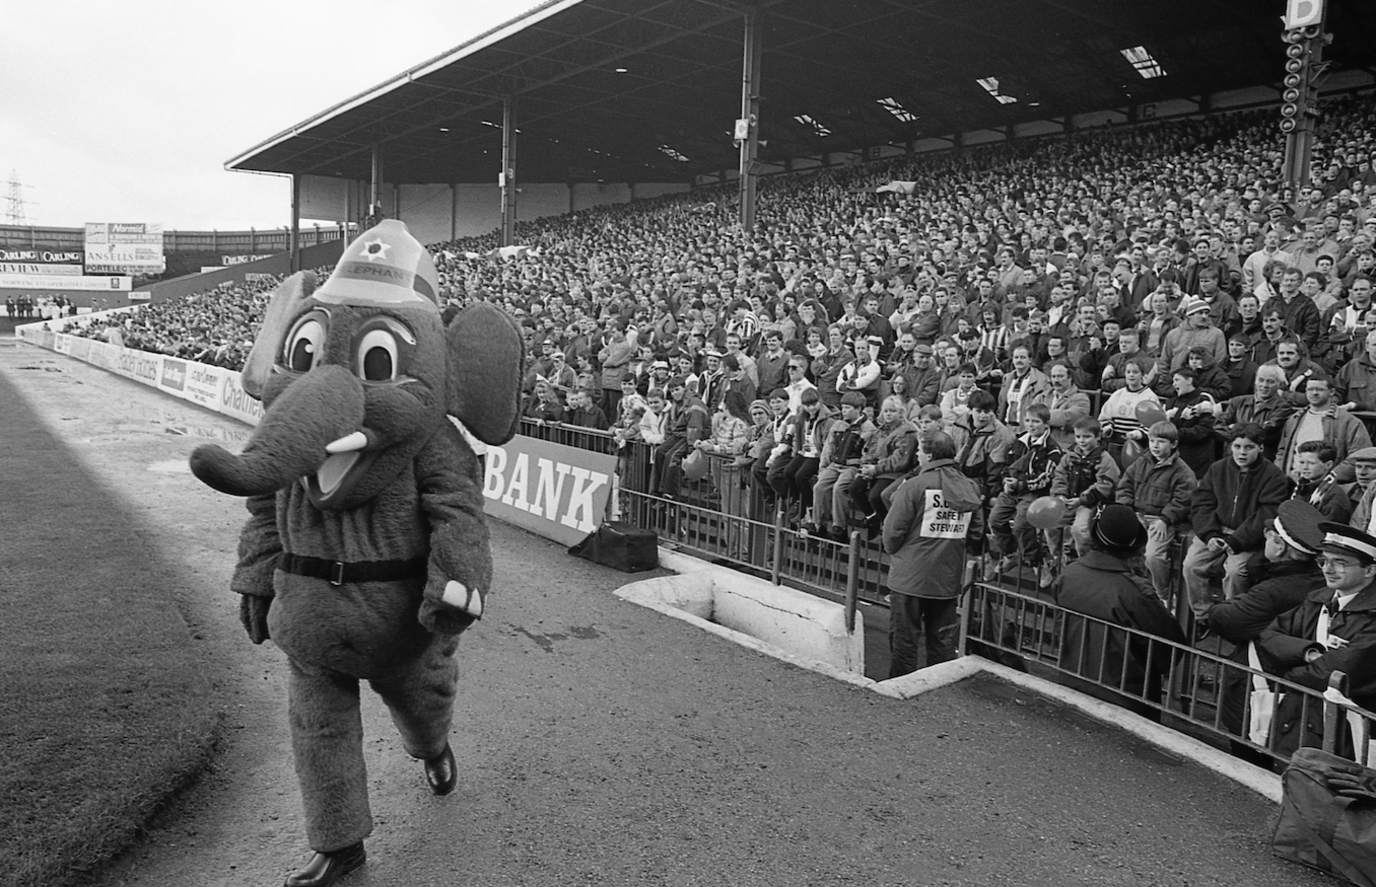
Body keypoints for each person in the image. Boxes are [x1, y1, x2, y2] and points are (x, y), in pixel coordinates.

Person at [1054, 504, 1187, 721]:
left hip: (1073, 686)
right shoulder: (1134, 592)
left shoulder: (1068, 575)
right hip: (1127, 701)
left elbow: (1061, 631)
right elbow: (1170, 648)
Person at [1258, 522, 1376, 757]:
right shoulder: (1317, 600)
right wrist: (1308, 652)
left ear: (1370, 570)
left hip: (1348, 739)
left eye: (1340, 563)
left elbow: (1337, 674)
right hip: (1297, 723)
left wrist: (1287, 674)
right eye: (1324, 561)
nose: (1328, 569)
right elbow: (1270, 637)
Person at [882, 431, 984, 677]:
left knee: (905, 641)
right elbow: (977, 532)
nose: (916, 455)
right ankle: (938, 689)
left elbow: (892, 531)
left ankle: (900, 686)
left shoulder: (914, 486)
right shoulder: (969, 487)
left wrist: (898, 553)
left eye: (918, 451)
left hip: (910, 577)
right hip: (946, 579)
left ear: (928, 455)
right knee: (942, 643)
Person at [1183, 423, 1290, 625]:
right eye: (1237, 446)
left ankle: (1233, 620)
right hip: (1216, 530)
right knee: (1191, 565)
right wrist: (1209, 534)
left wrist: (1238, 540)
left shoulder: (1273, 475)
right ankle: (1204, 617)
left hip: (1248, 537)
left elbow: (1267, 513)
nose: (1242, 452)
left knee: (1235, 573)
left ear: (1260, 447)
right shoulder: (1218, 468)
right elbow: (1202, 503)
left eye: (1248, 447)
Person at [1115, 421, 1197, 603]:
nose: (1155, 446)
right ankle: (1129, 589)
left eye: (1161, 442)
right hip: (1137, 515)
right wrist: (1129, 510)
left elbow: (1183, 500)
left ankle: (1164, 595)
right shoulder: (1141, 461)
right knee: (1118, 547)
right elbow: (1124, 486)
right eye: (1152, 441)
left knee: (1153, 555)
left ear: (1173, 444)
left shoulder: (1183, 471)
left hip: (1161, 520)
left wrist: (1165, 519)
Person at [988, 403, 1062, 587]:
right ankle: (1011, 554)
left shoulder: (1052, 449)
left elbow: (1045, 479)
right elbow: (1008, 464)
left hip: (1034, 493)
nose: (1031, 425)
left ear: (1046, 424)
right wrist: (1006, 481)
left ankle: (1036, 562)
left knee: (1021, 525)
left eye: (1036, 421)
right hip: (1012, 489)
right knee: (995, 519)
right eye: (1027, 420)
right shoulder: (1019, 441)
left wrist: (1020, 484)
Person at [1048, 417, 1120, 558]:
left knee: (1079, 529)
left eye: (1087, 437)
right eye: (1078, 436)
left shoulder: (1105, 459)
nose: (1082, 441)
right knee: (1050, 522)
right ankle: (1059, 558)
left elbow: (1104, 486)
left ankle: (1085, 559)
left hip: (1092, 503)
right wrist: (1060, 494)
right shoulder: (1070, 455)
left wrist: (1081, 500)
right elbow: (1059, 475)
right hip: (1069, 500)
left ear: (1098, 437)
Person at [807, 392, 875, 540]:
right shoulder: (838, 424)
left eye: (847, 407)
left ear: (858, 409)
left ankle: (839, 526)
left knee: (839, 488)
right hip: (835, 464)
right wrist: (823, 467)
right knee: (820, 486)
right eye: (842, 407)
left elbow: (868, 452)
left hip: (852, 466)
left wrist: (862, 470)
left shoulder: (868, 428)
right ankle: (818, 523)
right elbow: (828, 448)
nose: (843, 410)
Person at [1275, 375, 1372, 478]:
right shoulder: (1294, 419)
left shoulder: (1349, 422)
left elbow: (1358, 457)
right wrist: (1280, 474)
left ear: (1331, 392)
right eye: (1310, 389)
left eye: (1320, 389)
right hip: (1292, 482)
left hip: (1329, 487)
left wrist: (1329, 478)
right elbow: (1282, 451)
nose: (1314, 393)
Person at [850, 394, 918, 538]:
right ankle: (872, 518)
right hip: (878, 468)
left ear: (900, 412)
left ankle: (888, 528)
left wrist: (875, 469)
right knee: (855, 488)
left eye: (892, 411)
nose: (888, 414)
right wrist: (866, 466)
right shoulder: (881, 429)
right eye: (885, 411)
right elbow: (871, 450)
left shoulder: (907, 432)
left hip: (895, 471)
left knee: (876, 496)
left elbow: (899, 461)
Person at [1292, 441, 1355, 524]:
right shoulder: (1300, 488)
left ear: (1328, 465)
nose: (1305, 467)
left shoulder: (1334, 498)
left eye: (1311, 463)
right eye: (1302, 462)